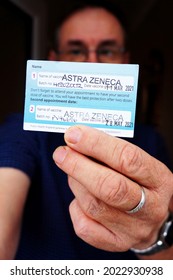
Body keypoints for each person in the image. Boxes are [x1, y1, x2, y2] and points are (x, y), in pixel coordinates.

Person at [0, 0, 173, 260]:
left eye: (106, 51)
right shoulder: (23, 130)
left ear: (125, 61)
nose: (92, 63)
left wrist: (153, 239)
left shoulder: (151, 142)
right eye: (76, 50)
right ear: (53, 60)